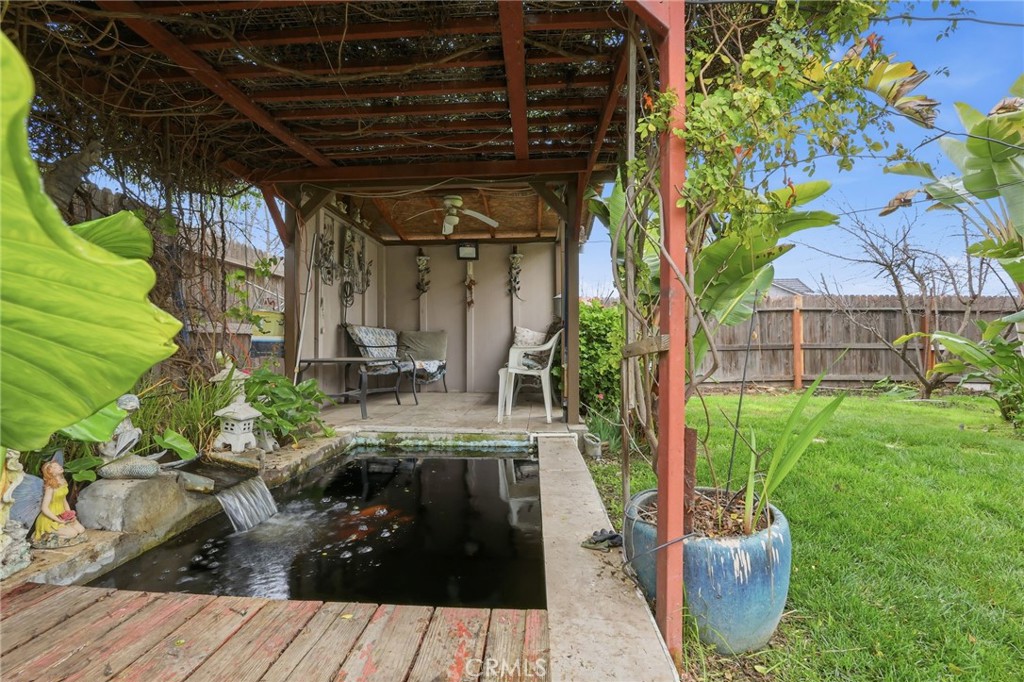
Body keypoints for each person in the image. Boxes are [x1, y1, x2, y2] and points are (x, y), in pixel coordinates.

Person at [32, 460, 85, 548]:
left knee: (81, 530)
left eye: (59, 465)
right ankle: (48, 536)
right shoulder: (50, 487)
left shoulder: (63, 483)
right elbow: (44, 508)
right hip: (51, 518)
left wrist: (69, 515)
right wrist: (57, 520)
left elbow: (63, 500)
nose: (60, 467)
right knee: (73, 533)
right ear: (50, 472)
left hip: (62, 513)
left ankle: (63, 530)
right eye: (55, 467)